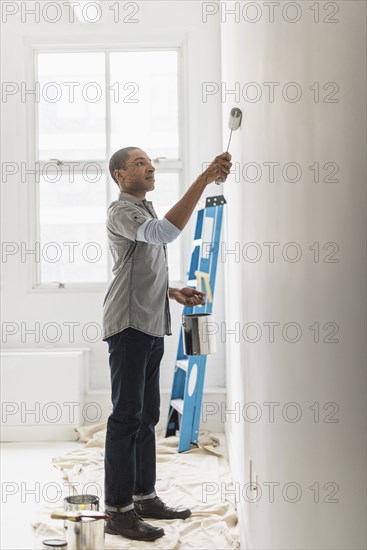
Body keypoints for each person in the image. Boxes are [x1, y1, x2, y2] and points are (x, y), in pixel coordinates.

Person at [102, 146, 232, 541]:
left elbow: (144, 263)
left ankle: (144, 496)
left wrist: (172, 291)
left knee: (146, 417)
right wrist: (203, 178)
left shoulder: (145, 210)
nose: (150, 167)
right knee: (126, 417)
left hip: (152, 322)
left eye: (149, 161)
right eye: (139, 163)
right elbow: (165, 234)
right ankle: (117, 511)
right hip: (128, 325)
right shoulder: (122, 211)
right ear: (121, 176)